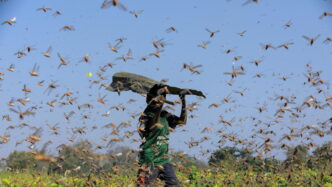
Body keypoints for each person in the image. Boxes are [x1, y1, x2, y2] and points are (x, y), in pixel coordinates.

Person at [137, 84, 187, 187]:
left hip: (163, 160)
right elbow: (152, 122)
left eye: (163, 97)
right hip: (149, 160)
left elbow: (182, 121)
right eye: (160, 96)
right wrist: (158, 100)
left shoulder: (165, 115)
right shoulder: (146, 116)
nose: (162, 99)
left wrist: (183, 100)